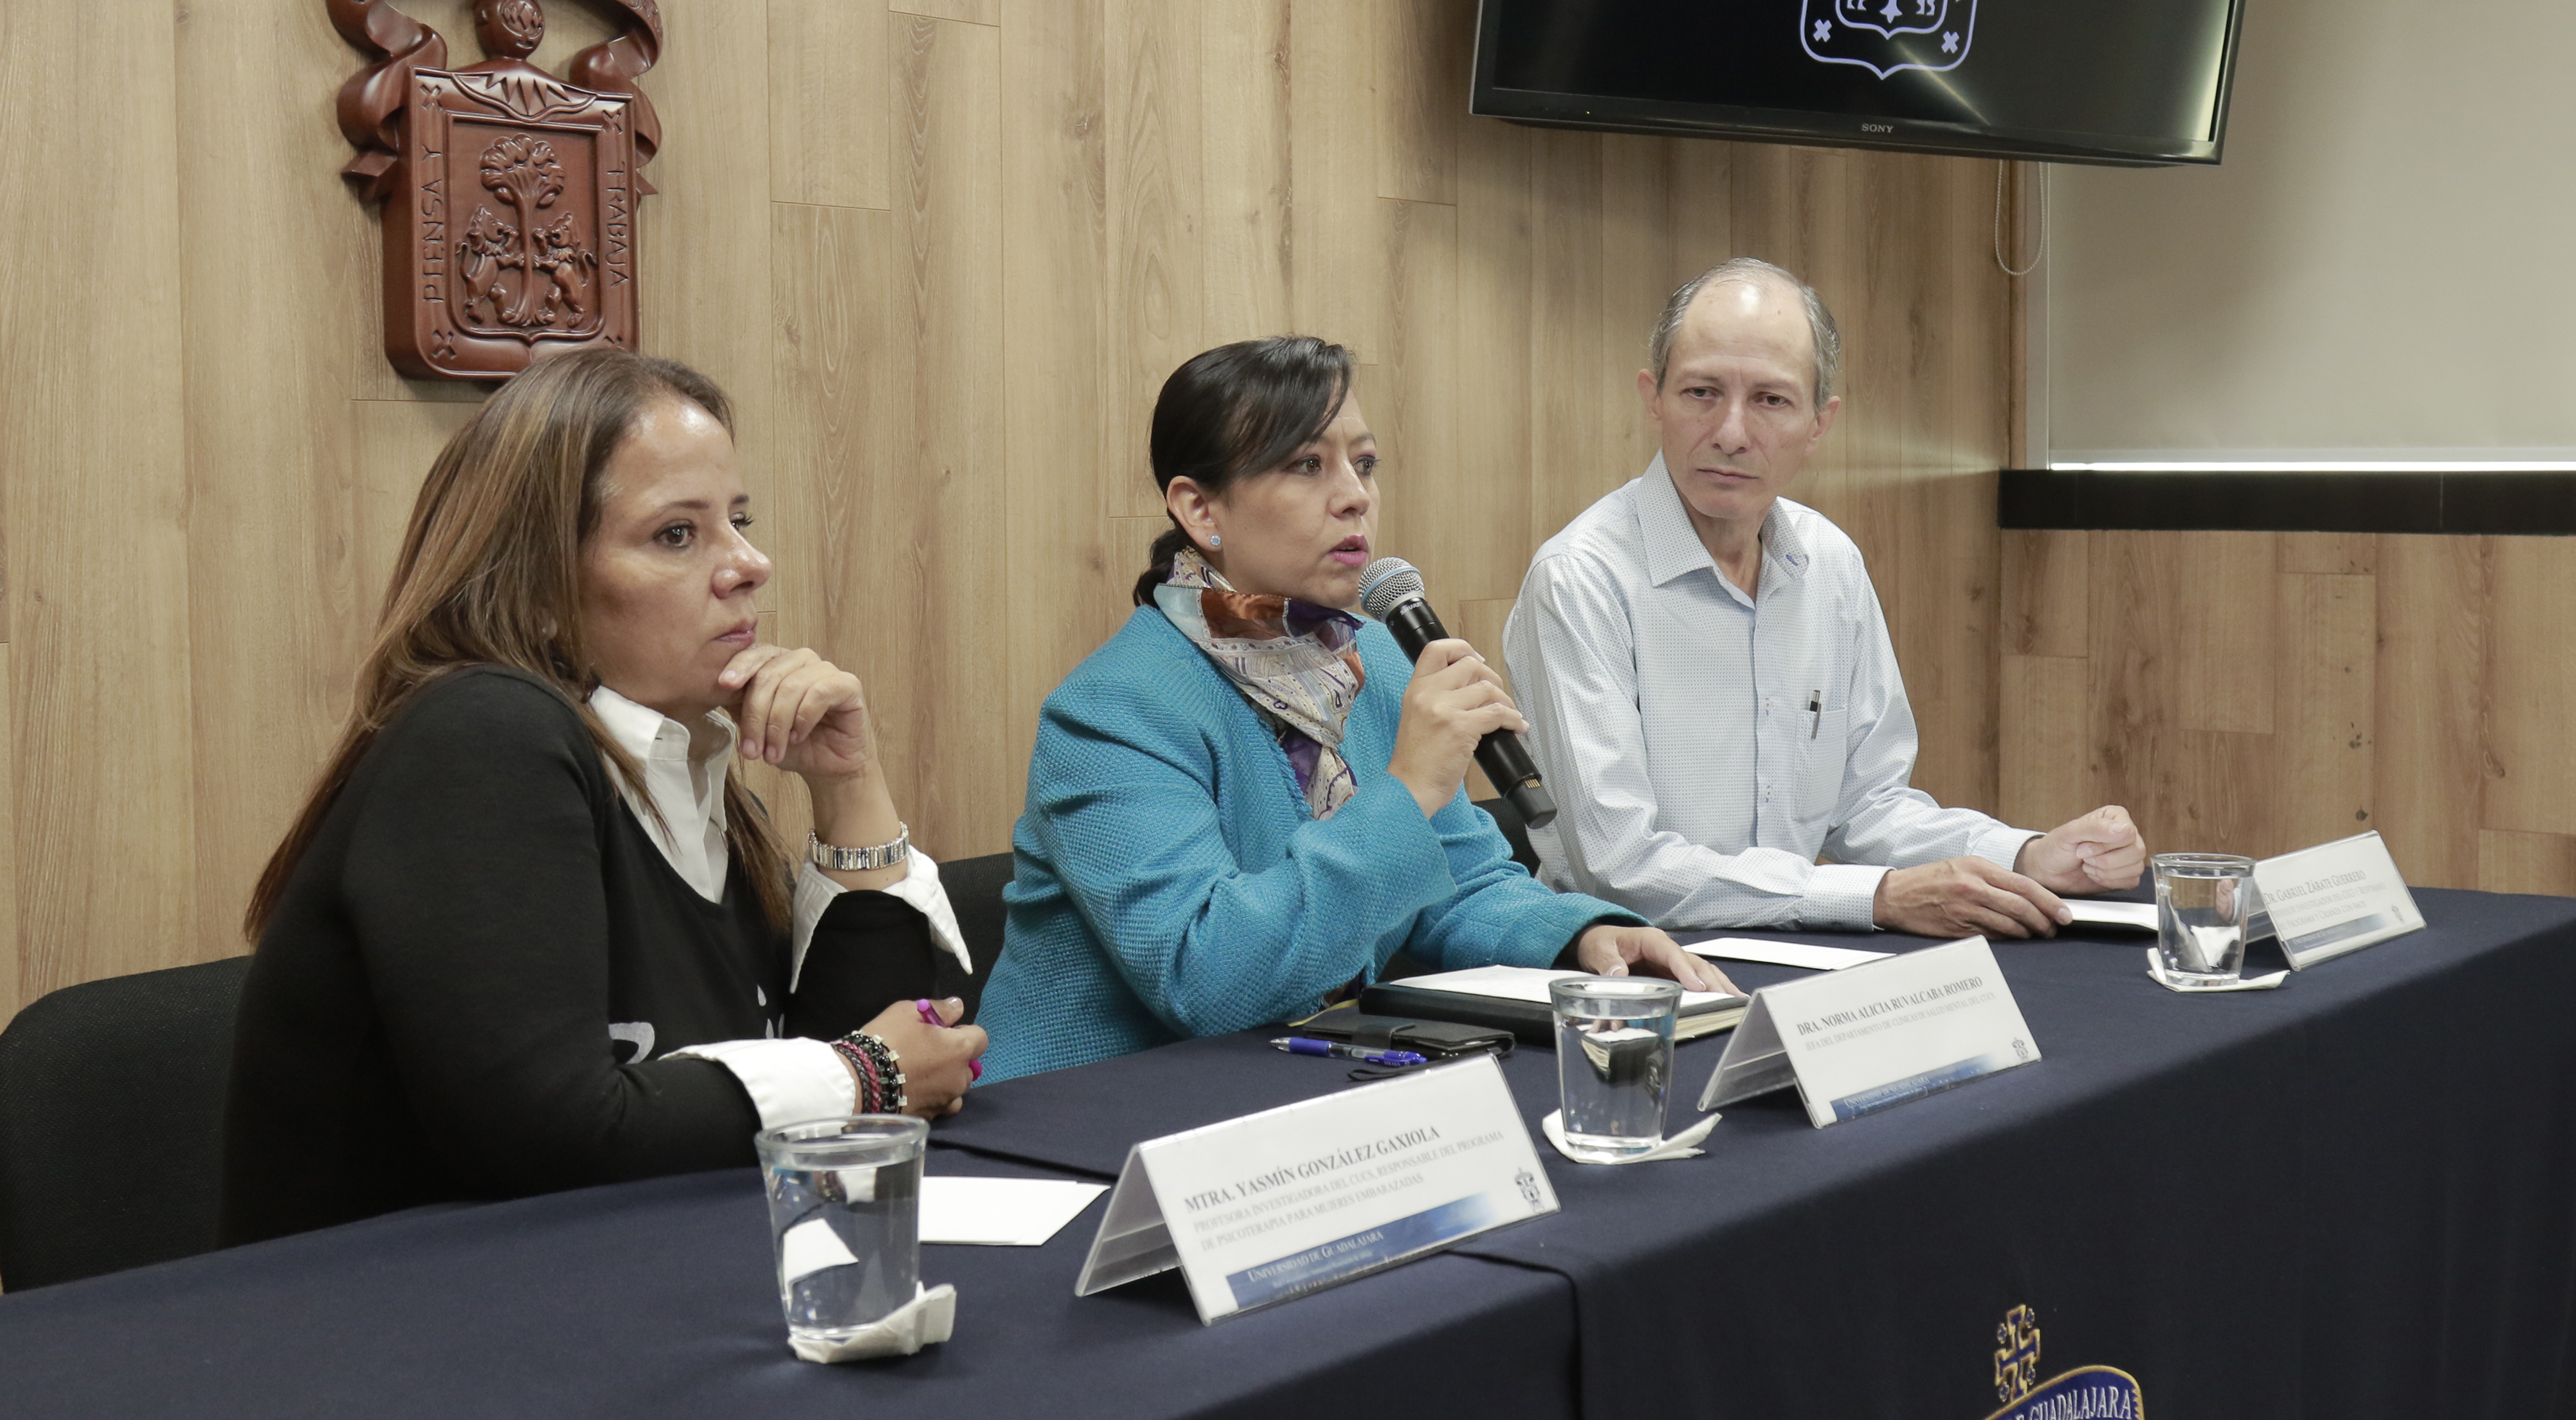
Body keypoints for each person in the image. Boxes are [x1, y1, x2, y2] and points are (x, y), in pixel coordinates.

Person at [221, 350, 986, 1245]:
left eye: (738, 521)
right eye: (678, 534)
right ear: (540, 589)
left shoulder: (686, 763)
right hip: (383, 1308)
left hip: (624, 1273)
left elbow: (867, 1121)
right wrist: (863, 1075)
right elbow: (549, 1133)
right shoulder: (481, 737)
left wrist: (848, 784)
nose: (751, 563)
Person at [976, 337, 1729, 1082]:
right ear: (1200, 509)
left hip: (1290, 1090)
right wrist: (1408, 789)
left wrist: (1583, 937)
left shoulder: (1374, 658)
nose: (1355, 496)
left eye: (1363, 464)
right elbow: (1205, 978)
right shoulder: (1113, 710)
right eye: (1307, 465)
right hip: (1089, 1116)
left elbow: (1456, 883)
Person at [1504, 260, 2148, 938]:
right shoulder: (1580, 580)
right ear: (1653, 398)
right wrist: (1877, 898)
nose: (1730, 432)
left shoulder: (1828, 563)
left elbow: (1865, 808)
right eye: (1701, 392)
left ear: (1818, 423)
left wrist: (2025, 856)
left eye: (1770, 400)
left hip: (1798, 948)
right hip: (1633, 964)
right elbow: (1621, 868)